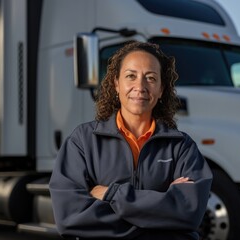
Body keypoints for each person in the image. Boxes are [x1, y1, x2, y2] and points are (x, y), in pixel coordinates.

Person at [49, 41, 213, 240]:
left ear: (161, 89)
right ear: (116, 84)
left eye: (151, 78)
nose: (140, 86)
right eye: (131, 76)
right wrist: (161, 219)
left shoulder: (182, 147)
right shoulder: (82, 141)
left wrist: (112, 195)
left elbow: (189, 213)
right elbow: (70, 217)